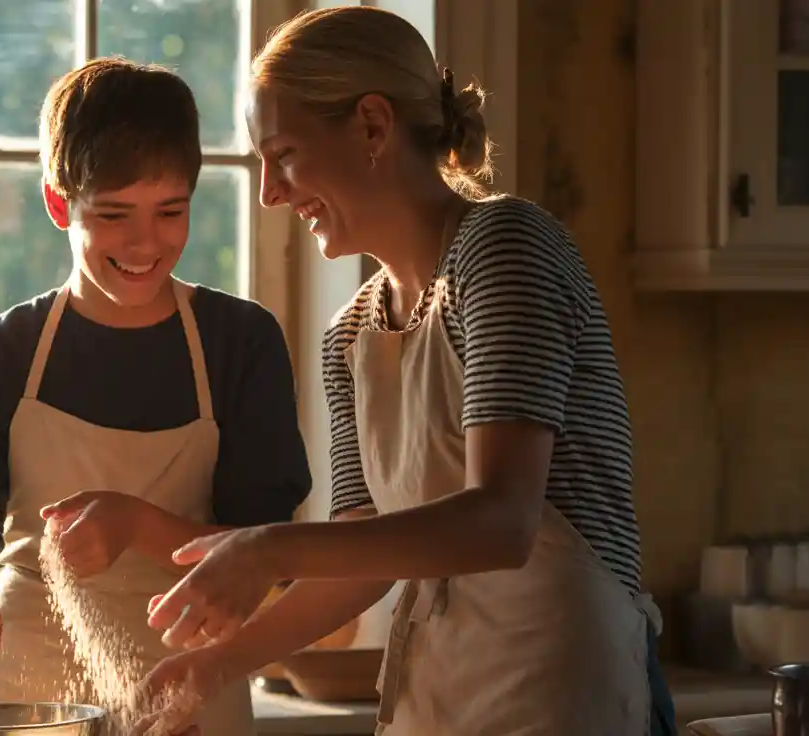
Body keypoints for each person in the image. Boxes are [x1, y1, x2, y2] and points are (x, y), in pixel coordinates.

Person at [136, 7, 678, 736]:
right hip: (442, 698)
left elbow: (502, 521)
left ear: (372, 125)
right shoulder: (350, 334)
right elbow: (365, 557)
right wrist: (214, 665)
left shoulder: (504, 247)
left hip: (568, 697)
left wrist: (267, 549)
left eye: (284, 154)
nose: (269, 193)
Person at [0, 57, 312, 735]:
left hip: (191, 682)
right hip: (27, 696)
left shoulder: (239, 342)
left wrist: (138, 526)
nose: (144, 241)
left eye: (171, 211)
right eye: (113, 213)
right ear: (58, 204)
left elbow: (265, 554)